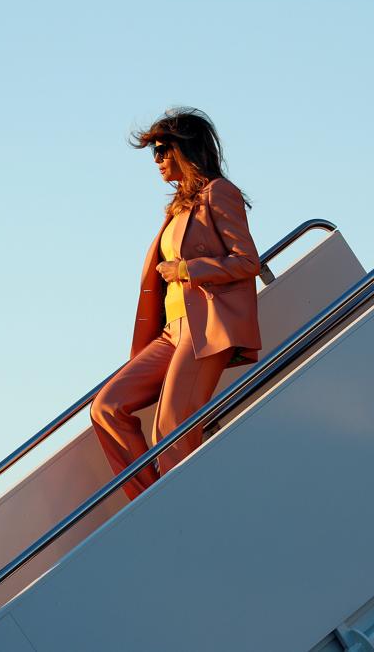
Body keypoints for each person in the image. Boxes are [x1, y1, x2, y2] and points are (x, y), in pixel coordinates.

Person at [90, 108, 262, 500]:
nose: (157, 160)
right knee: (108, 406)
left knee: (171, 430)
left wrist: (187, 269)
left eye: (161, 149)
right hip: (172, 331)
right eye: (153, 151)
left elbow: (248, 261)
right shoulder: (179, 207)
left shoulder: (219, 192)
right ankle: (152, 502)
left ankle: (176, 509)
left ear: (185, 149)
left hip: (204, 329)